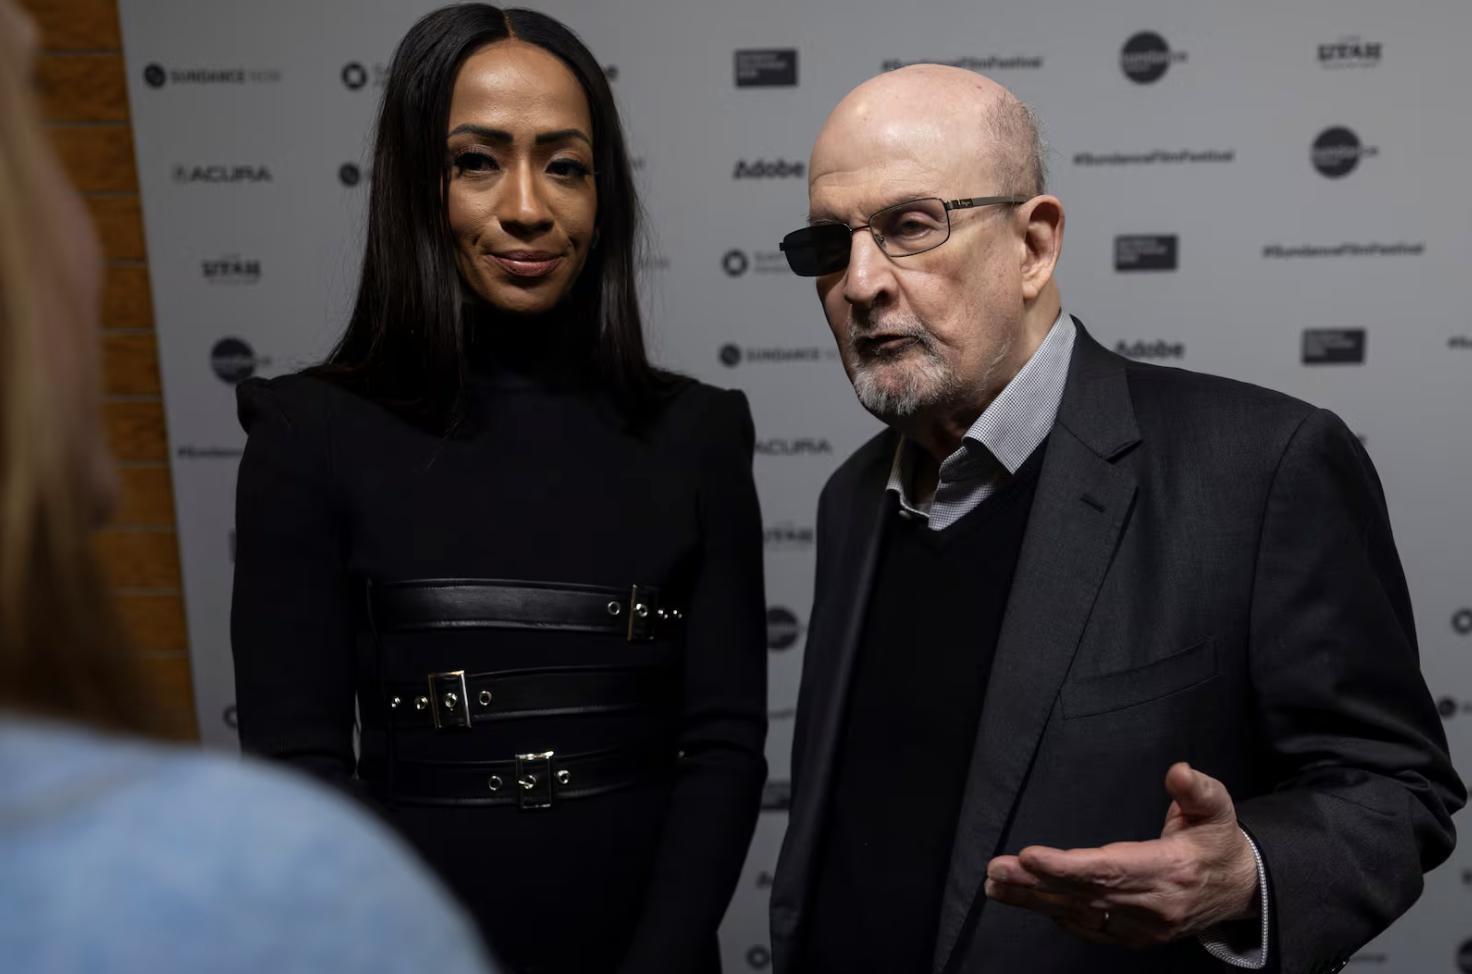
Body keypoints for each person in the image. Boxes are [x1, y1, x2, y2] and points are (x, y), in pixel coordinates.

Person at [769, 64, 1463, 974]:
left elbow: (1392, 788)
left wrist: (1245, 875)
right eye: (831, 245)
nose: (860, 284)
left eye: (909, 226)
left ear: (1035, 245)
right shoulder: (851, 498)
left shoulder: (1264, 465)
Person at [229, 6, 767, 972]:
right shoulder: (304, 436)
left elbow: (723, 748)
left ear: (605, 195)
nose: (528, 206)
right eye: (477, 161)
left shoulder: (699, 433)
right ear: (413, 185)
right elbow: (297, 765)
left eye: (565, 165)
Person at [0, 4, 494, 972]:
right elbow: (295, 743)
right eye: (34, 139)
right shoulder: (267, 886)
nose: (88, 237)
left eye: (564, 163)